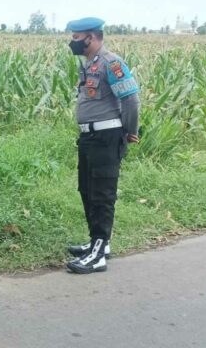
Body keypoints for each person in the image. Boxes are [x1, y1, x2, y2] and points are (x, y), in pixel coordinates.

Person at [65, 17, 141, 274]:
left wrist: (130, 131)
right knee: (86, 189)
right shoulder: (88, 64)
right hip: (88, 137)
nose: (72, 43)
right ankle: (98, 243)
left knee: (102, 193)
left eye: (77, 38)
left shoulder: (112, 63)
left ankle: (98, 256)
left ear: (92, 37)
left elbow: (131, 100)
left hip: (107, 136)